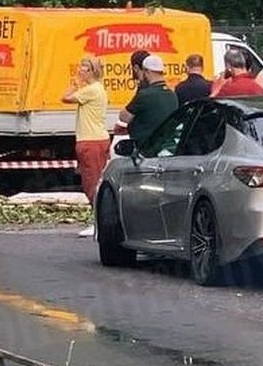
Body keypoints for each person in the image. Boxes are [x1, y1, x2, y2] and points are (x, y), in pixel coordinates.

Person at [62, 57, 110, 237]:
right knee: (91, 180)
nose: (80, 70)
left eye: (84, 67)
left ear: (91, 71)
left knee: (92, 182)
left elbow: (65, 98)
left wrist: (75, 85)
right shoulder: (96, 89)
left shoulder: (91, 90)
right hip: (93, 140)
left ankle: (98, 222)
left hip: (91, 141)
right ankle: (97, 220)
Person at [118, 55, 178, 145]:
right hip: (167, 146)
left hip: (147, 148)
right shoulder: (172, 95)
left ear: (147, 71)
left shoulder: (145, 95)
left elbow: (124, 117)